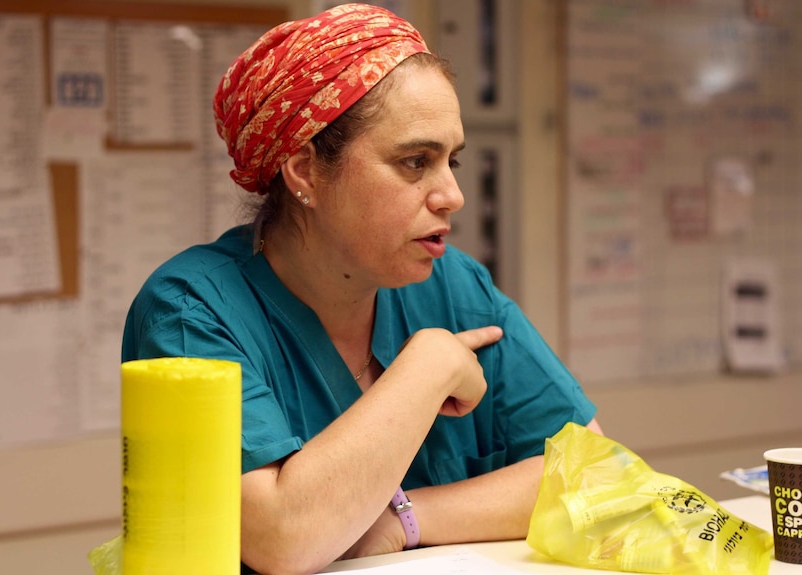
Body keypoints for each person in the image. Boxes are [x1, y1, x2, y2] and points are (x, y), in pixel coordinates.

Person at [122, 4, 602, 575]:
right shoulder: (190, 311)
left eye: (453, 161)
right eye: (415, 162)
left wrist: (404, 518)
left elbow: (596, 474)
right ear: (305, 171)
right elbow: (281, 540)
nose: (452, 195)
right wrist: (425, 368)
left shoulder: (454, 284)